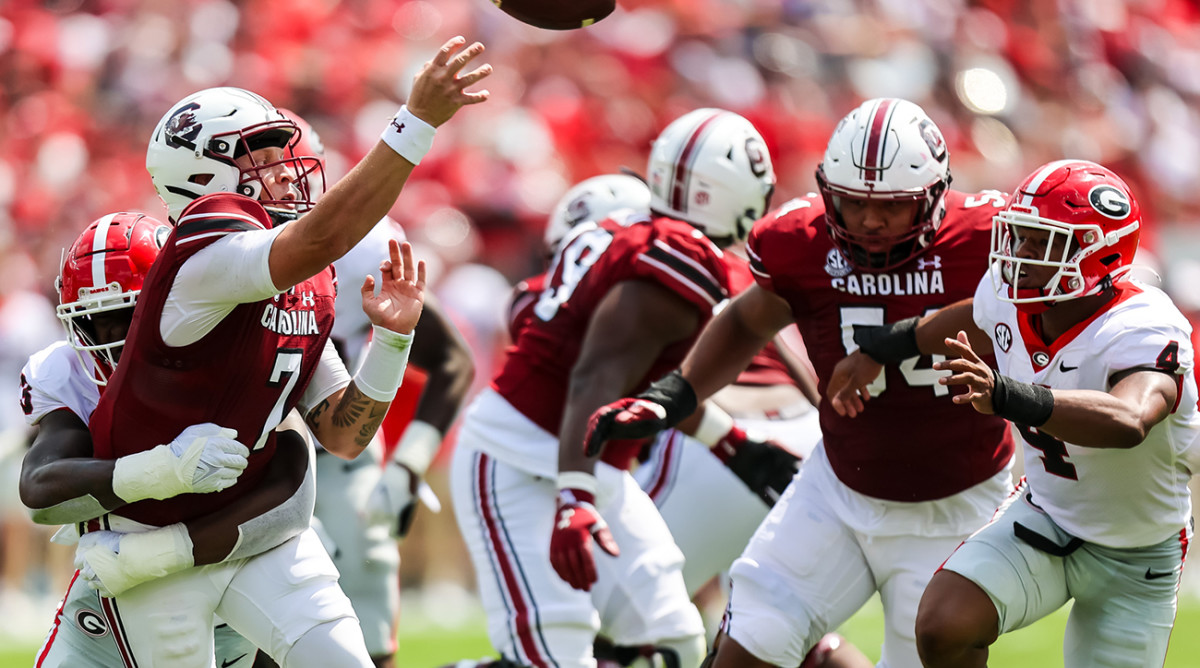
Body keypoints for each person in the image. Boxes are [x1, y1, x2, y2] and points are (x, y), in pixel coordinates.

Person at [75, 36, 490, 668]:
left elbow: (345, 435)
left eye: (280, 153)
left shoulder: (300, 280)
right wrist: (417, 123)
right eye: (259, 157)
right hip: (156, 542)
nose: (285, 170)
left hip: (259, 529)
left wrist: (392, 341)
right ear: (202, 173)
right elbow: (320, 236)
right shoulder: (202, 255)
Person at [585, 98, 1016, 668]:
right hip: (836, 487)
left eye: (889, 207)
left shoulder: (987, 237)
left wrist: (893, 343)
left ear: (934, 197)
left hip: (955, 502)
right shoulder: (800, 239)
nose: (867, 220)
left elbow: (1021, 306)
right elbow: (746, 318)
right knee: (748, 649)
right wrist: (678, 392)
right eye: (851, 202)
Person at [827, 160, 1199, 667]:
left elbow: (1129, 419)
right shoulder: (1012, 297)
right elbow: (973, 319)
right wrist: (885, 346)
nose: (1020, 254)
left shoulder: (1143, 325)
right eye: (1020, 235)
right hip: (1045, 515)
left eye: (1041, 242)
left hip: (1136, 553)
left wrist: (1006, 395)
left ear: (1099, 253)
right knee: (944, 625)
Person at [448, 108, 775, 668]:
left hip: (594, 461)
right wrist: (573, 493)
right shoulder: (675, 258)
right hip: (518, 460)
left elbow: (638, 383)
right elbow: (598, 374)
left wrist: (730, 444)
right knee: (557, 650)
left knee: (671, 635)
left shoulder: (635, 240)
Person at [20, 212, 315, 667]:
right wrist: (167, 468)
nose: (112, 338)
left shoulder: (231, 352)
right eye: (96, 321)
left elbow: (291, 491)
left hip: (236, 571)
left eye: (125, 315)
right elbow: (40, 490)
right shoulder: (66, 371)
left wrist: (162, 552)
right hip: (121, 593)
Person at [279, 108, 477, 668]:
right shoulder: (199, 254)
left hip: (334, 450)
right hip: (239, 457)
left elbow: (452, 361)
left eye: (283, 164)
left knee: (363, 590)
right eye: (258, 165)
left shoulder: (359, 248)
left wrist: (409, 463)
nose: (278, 182)